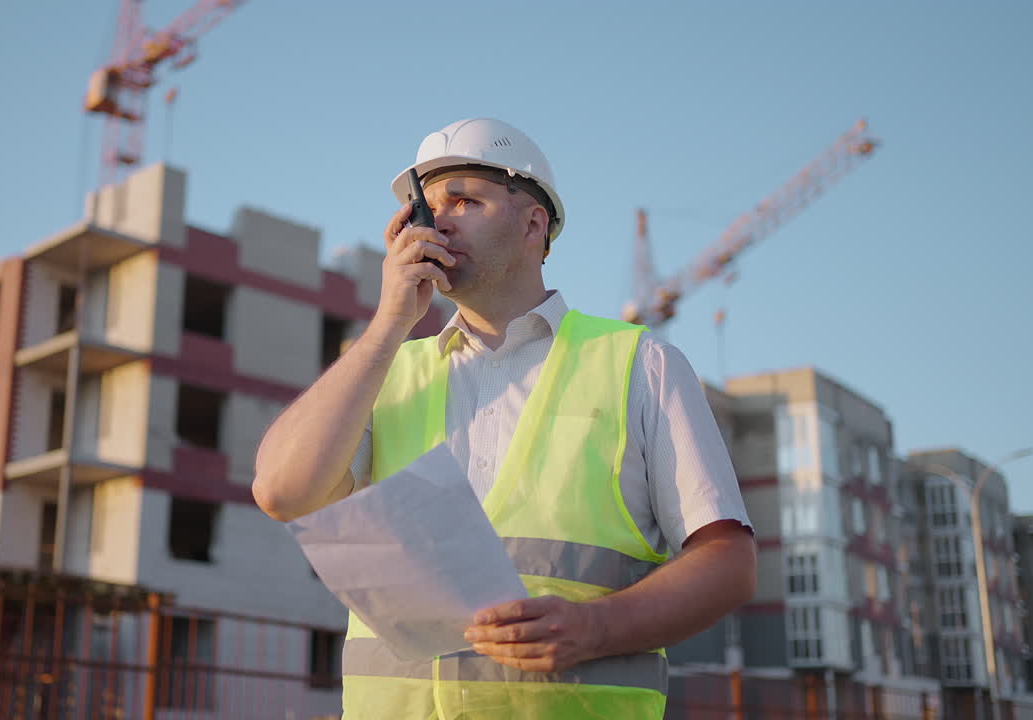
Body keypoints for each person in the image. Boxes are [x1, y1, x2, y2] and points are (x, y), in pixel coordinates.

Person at [253, 118, 755, 719]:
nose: (438, 223)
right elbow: (281, 492)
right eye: (426, 208)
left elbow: (727, 563)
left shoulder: (639, 364)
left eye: (464, 200)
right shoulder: (384, 371)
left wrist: (596, 628)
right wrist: (389, 322)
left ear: (533, 224)